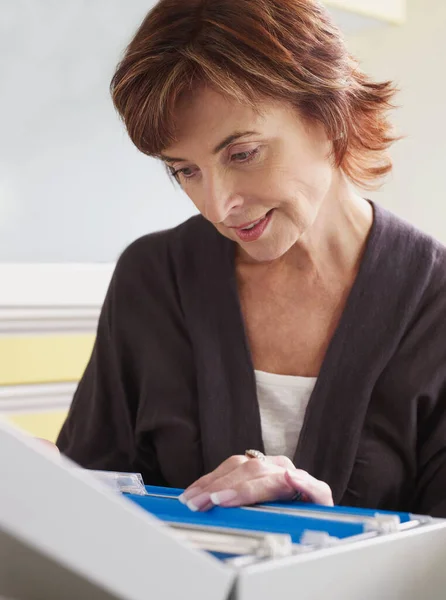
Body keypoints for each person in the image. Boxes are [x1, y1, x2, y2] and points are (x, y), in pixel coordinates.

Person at [56, 0, 446, 516]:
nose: (218, 205)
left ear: (330, 114)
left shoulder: (435, 305)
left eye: (242, 154)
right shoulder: (149, 279)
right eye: (184, 171)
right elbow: (88, 509)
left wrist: (330, 536)